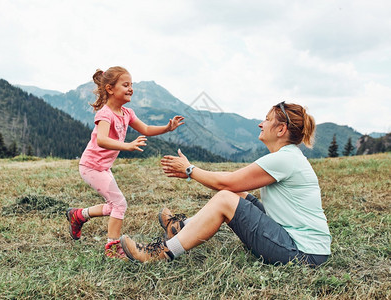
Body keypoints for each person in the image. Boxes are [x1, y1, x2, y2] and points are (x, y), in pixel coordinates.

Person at [120, 101, 332, 266]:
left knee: (225, 199)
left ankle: (163, 252)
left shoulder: (285, 159)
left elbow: (226, 182)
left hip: (304, 253)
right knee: (236, 195)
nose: (261, 123)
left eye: (267, 120)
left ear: (281, 130)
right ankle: (179, 228)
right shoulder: (289, 156)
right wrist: (192, 171)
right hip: (302, 244)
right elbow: (235, 182)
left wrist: (189, 170)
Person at [66, 66, 185, 259]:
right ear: (110, 89)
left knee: (114, 205)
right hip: (91, 167)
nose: (131, 89)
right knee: (120, 204)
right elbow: (101, 140)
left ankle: (78, 215)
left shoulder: (127, 113)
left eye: (132, 85)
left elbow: (145, 128)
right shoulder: (105, 114)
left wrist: (167, 128)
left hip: (102, 168)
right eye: (126, 85)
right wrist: (127, 146)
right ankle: (112, 249)